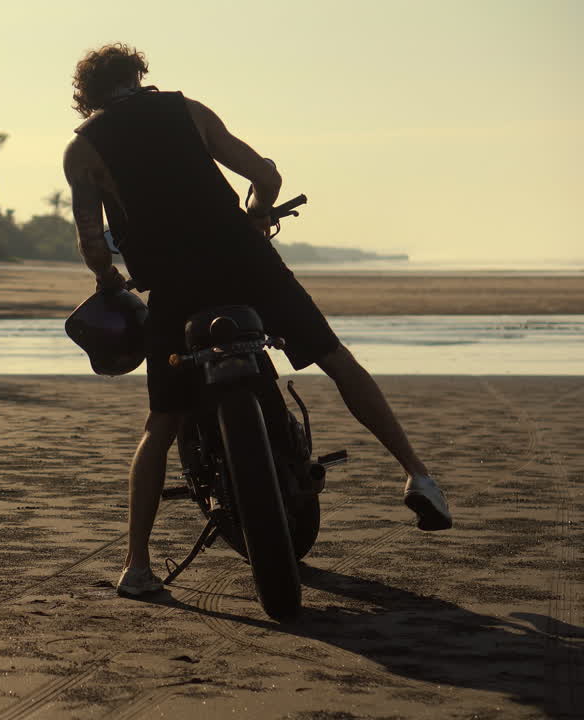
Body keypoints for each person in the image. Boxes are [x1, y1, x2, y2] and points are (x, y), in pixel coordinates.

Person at [61, 44, 452, 598]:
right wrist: (258, 212)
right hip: (247, 264)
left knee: (162, 423)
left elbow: (91, 240)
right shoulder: (188, 112)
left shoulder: (83, 151)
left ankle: (137, 566)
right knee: (336, 359)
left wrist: (107, 280)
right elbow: (265, 173)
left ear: (86, 97)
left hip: (175, 286)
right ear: (138, 76)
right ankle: (417, 474)